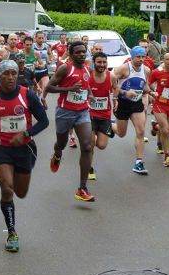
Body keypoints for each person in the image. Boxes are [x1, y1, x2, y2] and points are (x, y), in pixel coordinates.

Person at [0, 60, 49, 252]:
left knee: (20, 192)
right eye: (6, 74)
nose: (10, 78)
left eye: (13, 74)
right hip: (2, 148)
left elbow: (44, 121)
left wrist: (26, 134)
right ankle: (12, 232)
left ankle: (3, 175)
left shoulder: (28, 95)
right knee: (7, 189)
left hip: (24, 149)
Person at [45, 41, 96, 202]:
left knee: (87, 146)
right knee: (61, 143)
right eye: (78, 52)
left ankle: (82, 187)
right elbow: (49, 87)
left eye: (84, 52)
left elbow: (85, 85)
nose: (82, 54)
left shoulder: (87, 68)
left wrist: (90, 94)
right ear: (71, 54)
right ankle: (57, 154)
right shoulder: (65, 68)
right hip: (65, 112)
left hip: (82, 111)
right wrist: (68, 89)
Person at [111, 46, 153, 174]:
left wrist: (152, 92)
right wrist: (121, 94)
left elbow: (144, 85)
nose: (141, 59)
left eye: (143, 57)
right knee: (121, 133)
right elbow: (112, 81)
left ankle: (138, 162)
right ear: (132, 57)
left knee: (140, 131)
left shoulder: (146, 70)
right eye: (138, 57)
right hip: (123, 103)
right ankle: (111, 125)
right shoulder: (124, 68)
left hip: (136, 103)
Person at [87, 52, 118, 180]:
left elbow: (116, 88)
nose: (102, 65)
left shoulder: (111, 76)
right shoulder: (88, 76)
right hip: (89, 114)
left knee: (101, 145)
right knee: (90, 144)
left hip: (105, 115)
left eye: (104, 62)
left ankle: (111, 126)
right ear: (94, 63)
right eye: (99, 62)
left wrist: (115, 99)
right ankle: (89, 167)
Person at [33, 31, 52, 108]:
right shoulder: (32, 46)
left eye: (42, 38)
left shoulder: (46, 46)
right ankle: (35, 101)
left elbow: (50, 54)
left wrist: (49, 60)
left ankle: (43, 99)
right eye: (39, 38)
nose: (41, 40)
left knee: (47, 86)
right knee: (35, 91)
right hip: (34, 71)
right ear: (35, 38)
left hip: (44, 70)